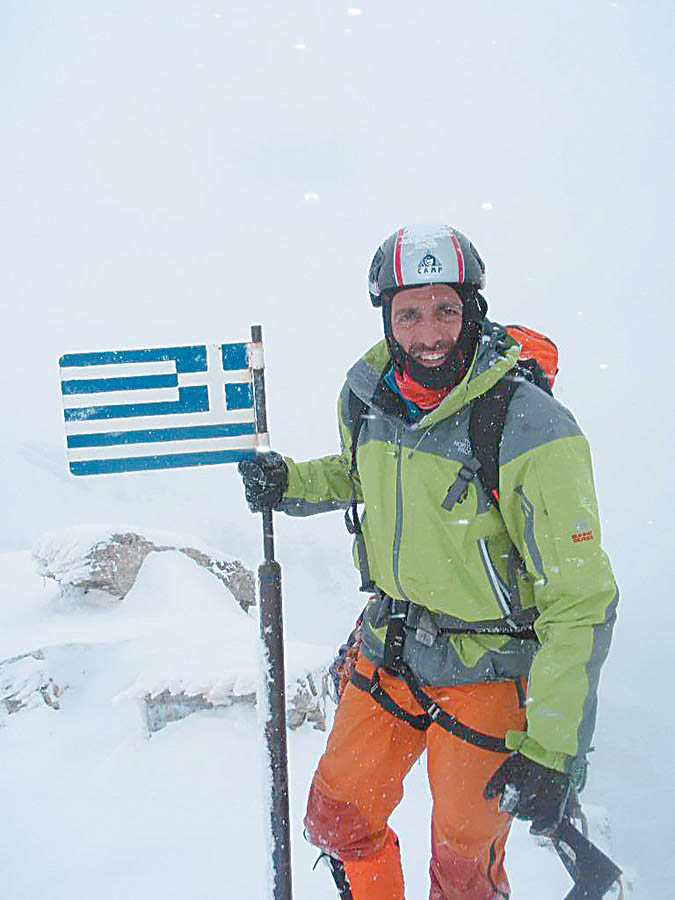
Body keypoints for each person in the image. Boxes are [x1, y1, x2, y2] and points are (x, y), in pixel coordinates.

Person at [238, 224, 618, 900]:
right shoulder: (368, 398)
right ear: (386, 317)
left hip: (486, 669)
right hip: (389, 646)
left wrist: (554, 749)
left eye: (446, 309)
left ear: (474, 309)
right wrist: (291, 483)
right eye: (409, 313)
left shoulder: (526, 424)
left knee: (463, 870)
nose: (430, 333)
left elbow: (579, 599)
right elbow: (368, 476)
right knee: (338, 822)